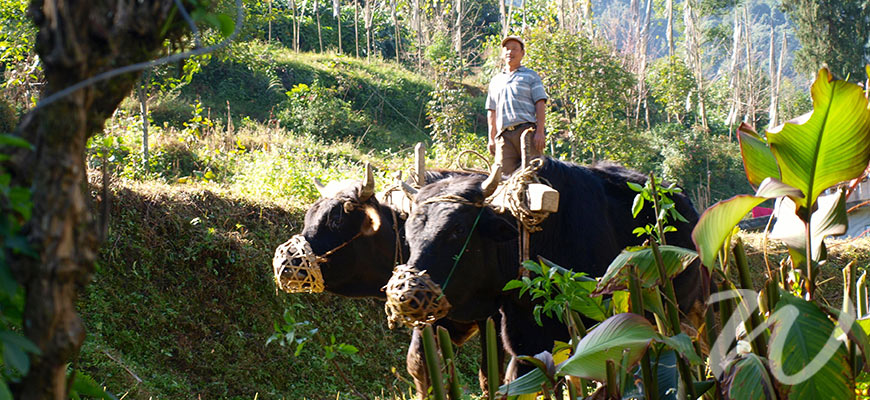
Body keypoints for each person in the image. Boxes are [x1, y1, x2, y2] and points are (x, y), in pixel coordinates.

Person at [486, 35, 548, 174]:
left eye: (514, 49)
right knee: (502, 176)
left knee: (533, 173)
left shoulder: (531, 76)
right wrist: (491, 138)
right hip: (504, 136)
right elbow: (492, 111)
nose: (510, 52)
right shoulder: (496, 80)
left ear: (522, 53)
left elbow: (540, 102)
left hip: (527, 132)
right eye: (507, 49)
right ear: (502, 54)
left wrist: (539, 132)